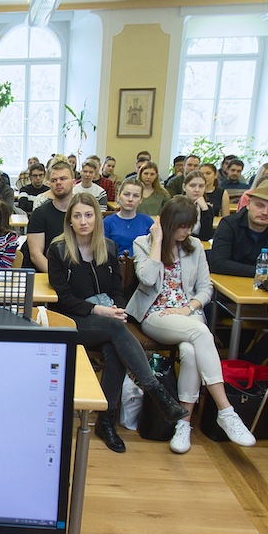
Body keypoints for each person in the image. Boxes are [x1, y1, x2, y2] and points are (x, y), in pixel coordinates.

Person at [47, 193, 186, 453]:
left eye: (88, 215)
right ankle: (155, 391)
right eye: (77, 216)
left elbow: (117, 287)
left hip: (107, 318)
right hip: (73, 319)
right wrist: (100, 310)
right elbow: (64, 299)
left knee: (115, 349)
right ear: (70, 221)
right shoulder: (58, 249)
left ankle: (106, 421)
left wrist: (118, 309)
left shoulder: (107, 247)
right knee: (115, 329)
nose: (83, 221)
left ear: (97, 219)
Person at [131, 198, 256, 453]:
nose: (187, 232)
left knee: (190, 351)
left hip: (188, 314)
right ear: (168, 223)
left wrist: (188, 308)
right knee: (201, 332)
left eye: (190, 226)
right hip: (156, 315)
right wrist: (157, 242)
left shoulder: (195, 246)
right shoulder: (143, 243)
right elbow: (147, 278)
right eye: (182, 226)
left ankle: (183, 424)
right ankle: (226, 411)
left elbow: (205, 287)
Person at [26, 160, 77, 272]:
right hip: (49, 273)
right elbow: (36, 255)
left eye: (63, 179)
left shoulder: (81, 214)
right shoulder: (39, 214)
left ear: (74, 183)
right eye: (54, 180)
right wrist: (58, 276)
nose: (58, 182)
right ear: (49, 184)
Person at [103, 178, 156, 257]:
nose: (130, 199)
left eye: (136, 196)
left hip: (142, 265)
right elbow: (103, 252)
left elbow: (154, 248)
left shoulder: (147, 221)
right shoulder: (107, 222)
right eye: (126, 194)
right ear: (118, 196)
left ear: (141, 199)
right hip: (116, 265)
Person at [179, 169, 221, 242]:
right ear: (184, 187)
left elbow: (207, 236)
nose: (197, 190)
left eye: (201, 186)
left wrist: (205, 209)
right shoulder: (175, 206)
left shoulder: (208, 209)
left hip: (199, 245)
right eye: (192, 186)